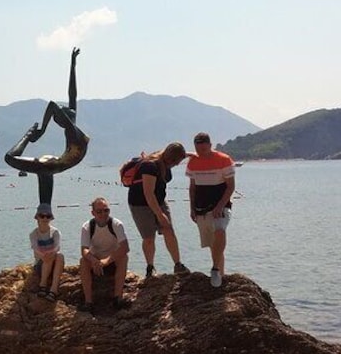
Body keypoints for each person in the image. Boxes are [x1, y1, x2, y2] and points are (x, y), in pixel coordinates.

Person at [4, 47, 90, 205]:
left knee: (10, 158)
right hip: (65, 160)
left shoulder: (71, 127)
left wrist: (40, 131)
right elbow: (72, 93)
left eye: (58, 117)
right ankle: (45, 209)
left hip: (65, 160)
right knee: (45, 168)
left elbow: (52, 105)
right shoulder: (73, 123)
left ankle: (28, 135)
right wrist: (72, 65)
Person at [127, 142, 190, 277]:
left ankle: (178, 264)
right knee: (149, 237)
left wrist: (192, 155)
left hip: (159, 200)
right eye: (176, 162)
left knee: (169, 230)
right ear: (169, 158)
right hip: (140, 204)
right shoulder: (150, 166)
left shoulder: (165, 160)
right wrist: (160, 215)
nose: (177, 165)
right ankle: (150, 267)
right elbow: (148, 194)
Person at [186, 132, 236, 288]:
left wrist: (221, 205)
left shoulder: (223, 159)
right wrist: (192, 208)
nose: (200, 152)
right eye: (197, 149)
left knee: (220, 231)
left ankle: (214, 269)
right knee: (213, 244)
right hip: (201, 207)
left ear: (210, 145)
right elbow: (192, 187)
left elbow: (231, 186)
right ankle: (220, 275)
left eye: (203, 148)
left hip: (221, 206)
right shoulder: (193, 162)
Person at [78, 197, 130, 314]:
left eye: (106, 210)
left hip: (112, 262)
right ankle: (88, 302)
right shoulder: (87, 227)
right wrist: (94, 260)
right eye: (99, 211)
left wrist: (106, 261)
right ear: (93, 213)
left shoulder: (116, 224)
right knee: (83, 261)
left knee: (124, 258)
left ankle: (118, 297)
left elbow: (125, 247)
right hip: (95, 262)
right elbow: (84, 250)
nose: (103, 214)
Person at [29, 203, 64, 302]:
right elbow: (35, 248)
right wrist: (45, 256)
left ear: (51, 218)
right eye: (42, 216)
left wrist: (50, 254)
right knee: (50, 257)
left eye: (47, 216)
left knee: (59, 256)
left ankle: (53, 290)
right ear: (37, 218)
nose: (45, 218)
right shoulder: (34, 234)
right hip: (40, 264)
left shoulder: (55, 232)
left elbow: (57, 247)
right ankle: (43, 284)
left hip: (53, 262)